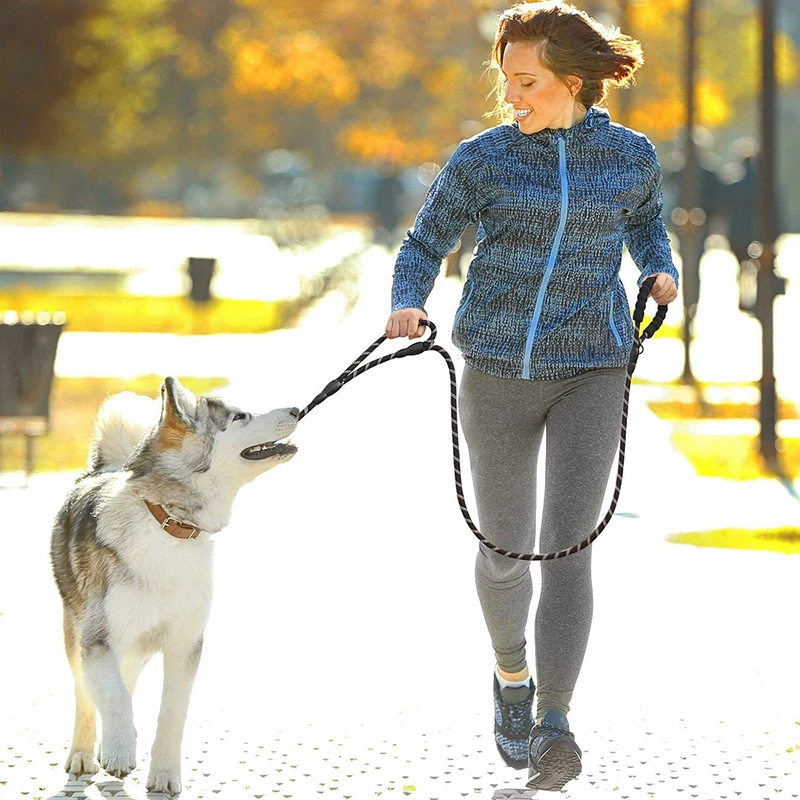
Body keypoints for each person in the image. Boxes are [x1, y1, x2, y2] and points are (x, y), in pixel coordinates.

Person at [384, 1, 679, 792]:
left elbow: (651, 226)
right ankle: (512, 676)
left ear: (574, 82)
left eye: (528, 82)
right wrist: (407, 299)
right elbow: (423, 240)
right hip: (498, 369)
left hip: (593, 366)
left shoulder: (630, 157)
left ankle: (556, 724)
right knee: (507, 551)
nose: (512, 96)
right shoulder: (483, 159)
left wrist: (662, 267)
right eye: (506, 80)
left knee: (569, 548)